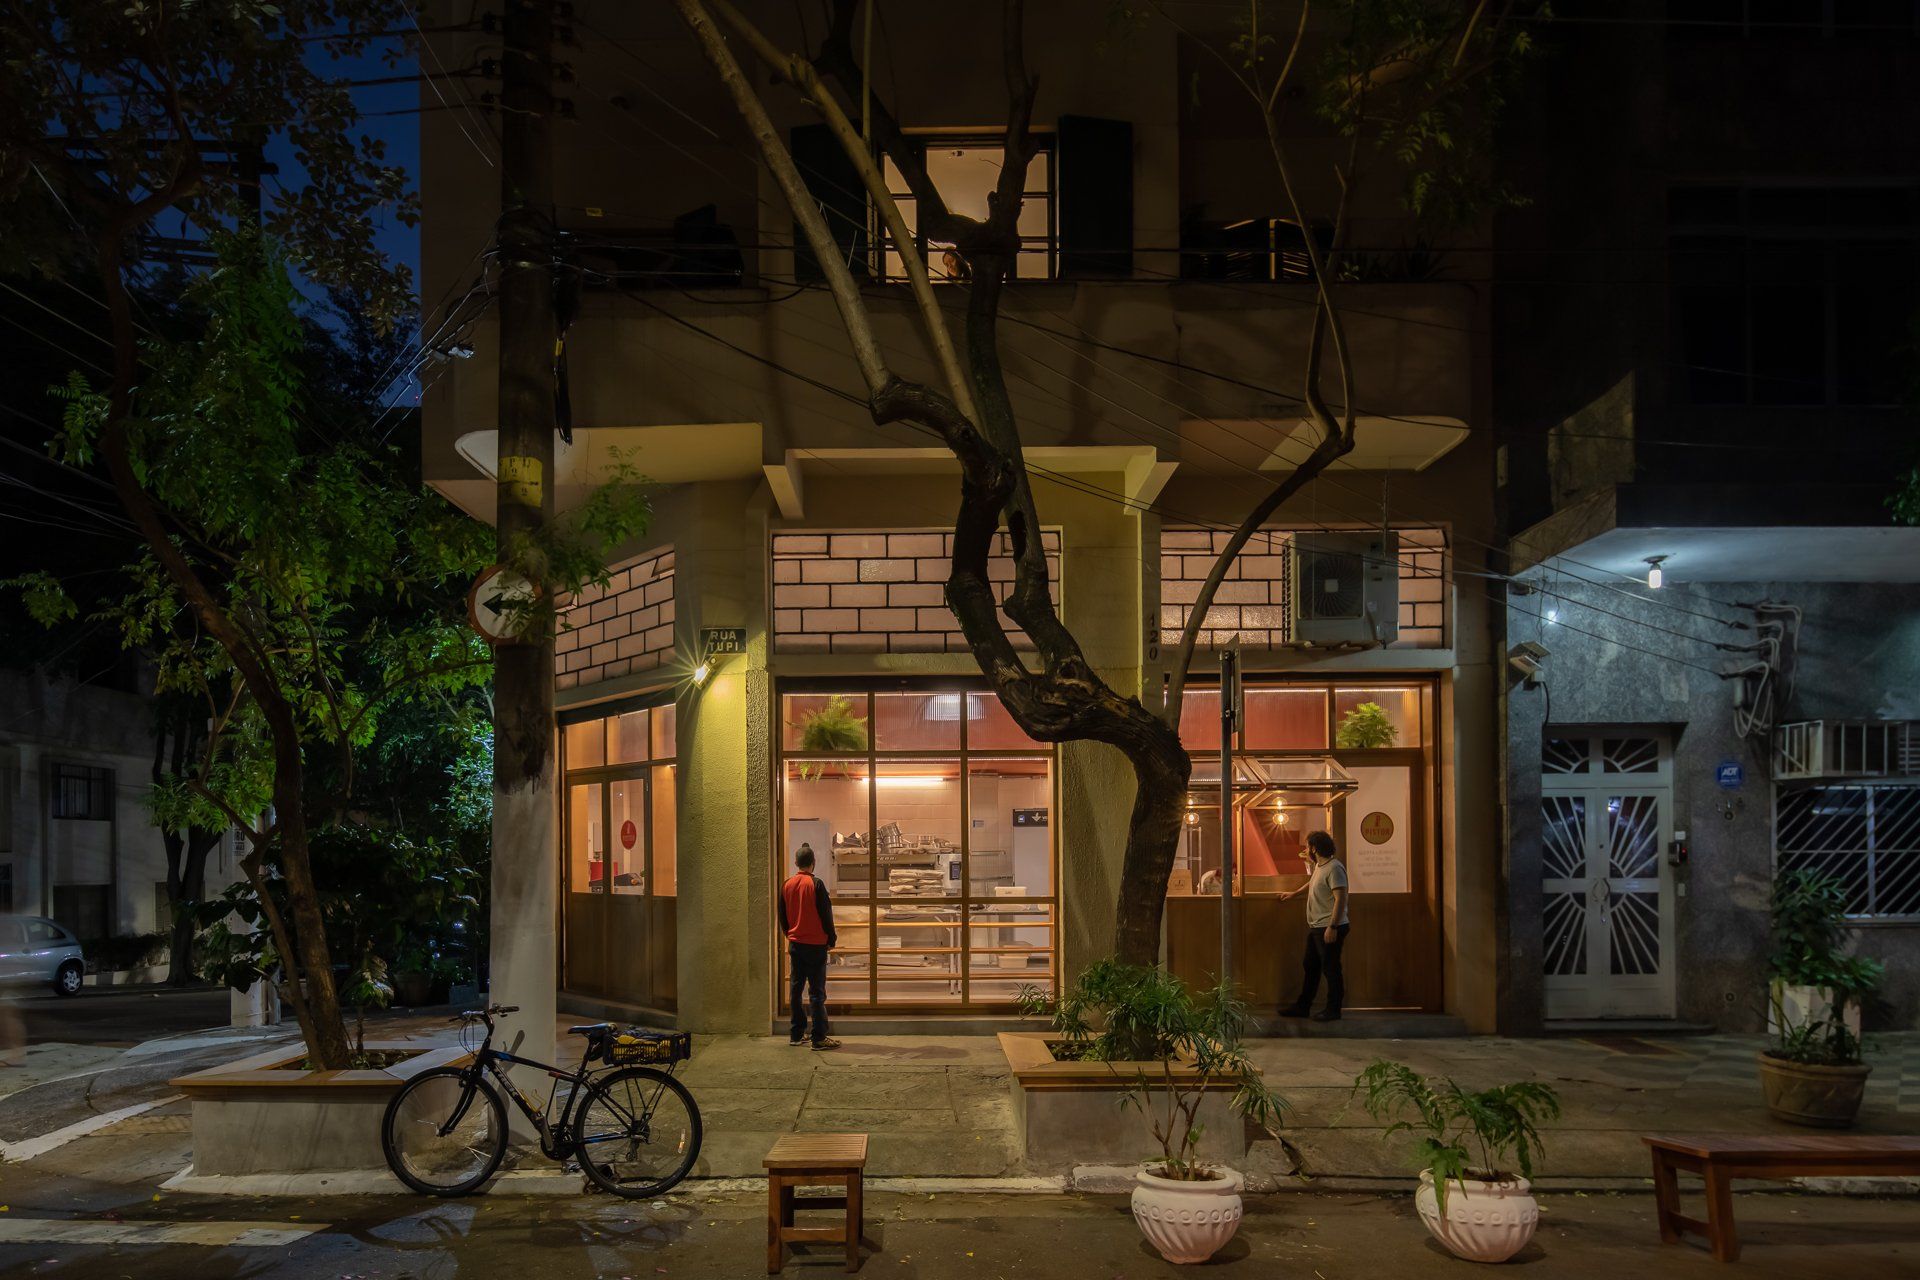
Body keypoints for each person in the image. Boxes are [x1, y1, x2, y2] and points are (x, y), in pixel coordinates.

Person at [1278, 830, 1350, 1022]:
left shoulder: (1335, 868)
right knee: (1310, 965)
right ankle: (1303, 1006)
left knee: (1330, 968)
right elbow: (1313, 883)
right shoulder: (1321, 866)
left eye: (1307, 845)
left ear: (1314, 848)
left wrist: (1333, 926)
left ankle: (1333, 1010)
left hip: (1329, 926)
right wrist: (1294, 893)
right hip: (1318, 926)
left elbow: (1341, 898)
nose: (1305, 849)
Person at [778, 843, 840, 1050]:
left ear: (796, 863)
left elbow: (783, 917)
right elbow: (826, 915)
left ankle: (796, 1034)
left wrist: (790, 935)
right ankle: (819, 1037)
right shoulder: (817, 884)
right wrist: (831, 939)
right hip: (815, 945)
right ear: (813, 863)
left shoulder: (786, 885)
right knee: (816, 992)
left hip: (796, 944)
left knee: (796, 990)